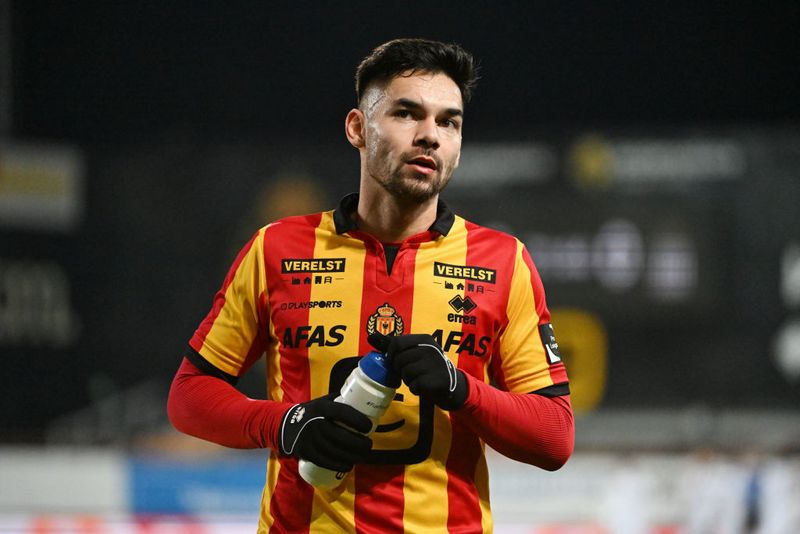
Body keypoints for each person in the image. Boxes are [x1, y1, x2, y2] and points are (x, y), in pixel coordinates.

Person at [168, 38, 574, 533]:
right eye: (407, 114)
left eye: (449, 122)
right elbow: (189, 396)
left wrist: (459, 388)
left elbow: (554, 437)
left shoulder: (504, 262)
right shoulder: (276, 249)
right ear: (358, 128)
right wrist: (286, 425)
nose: (430, 135)